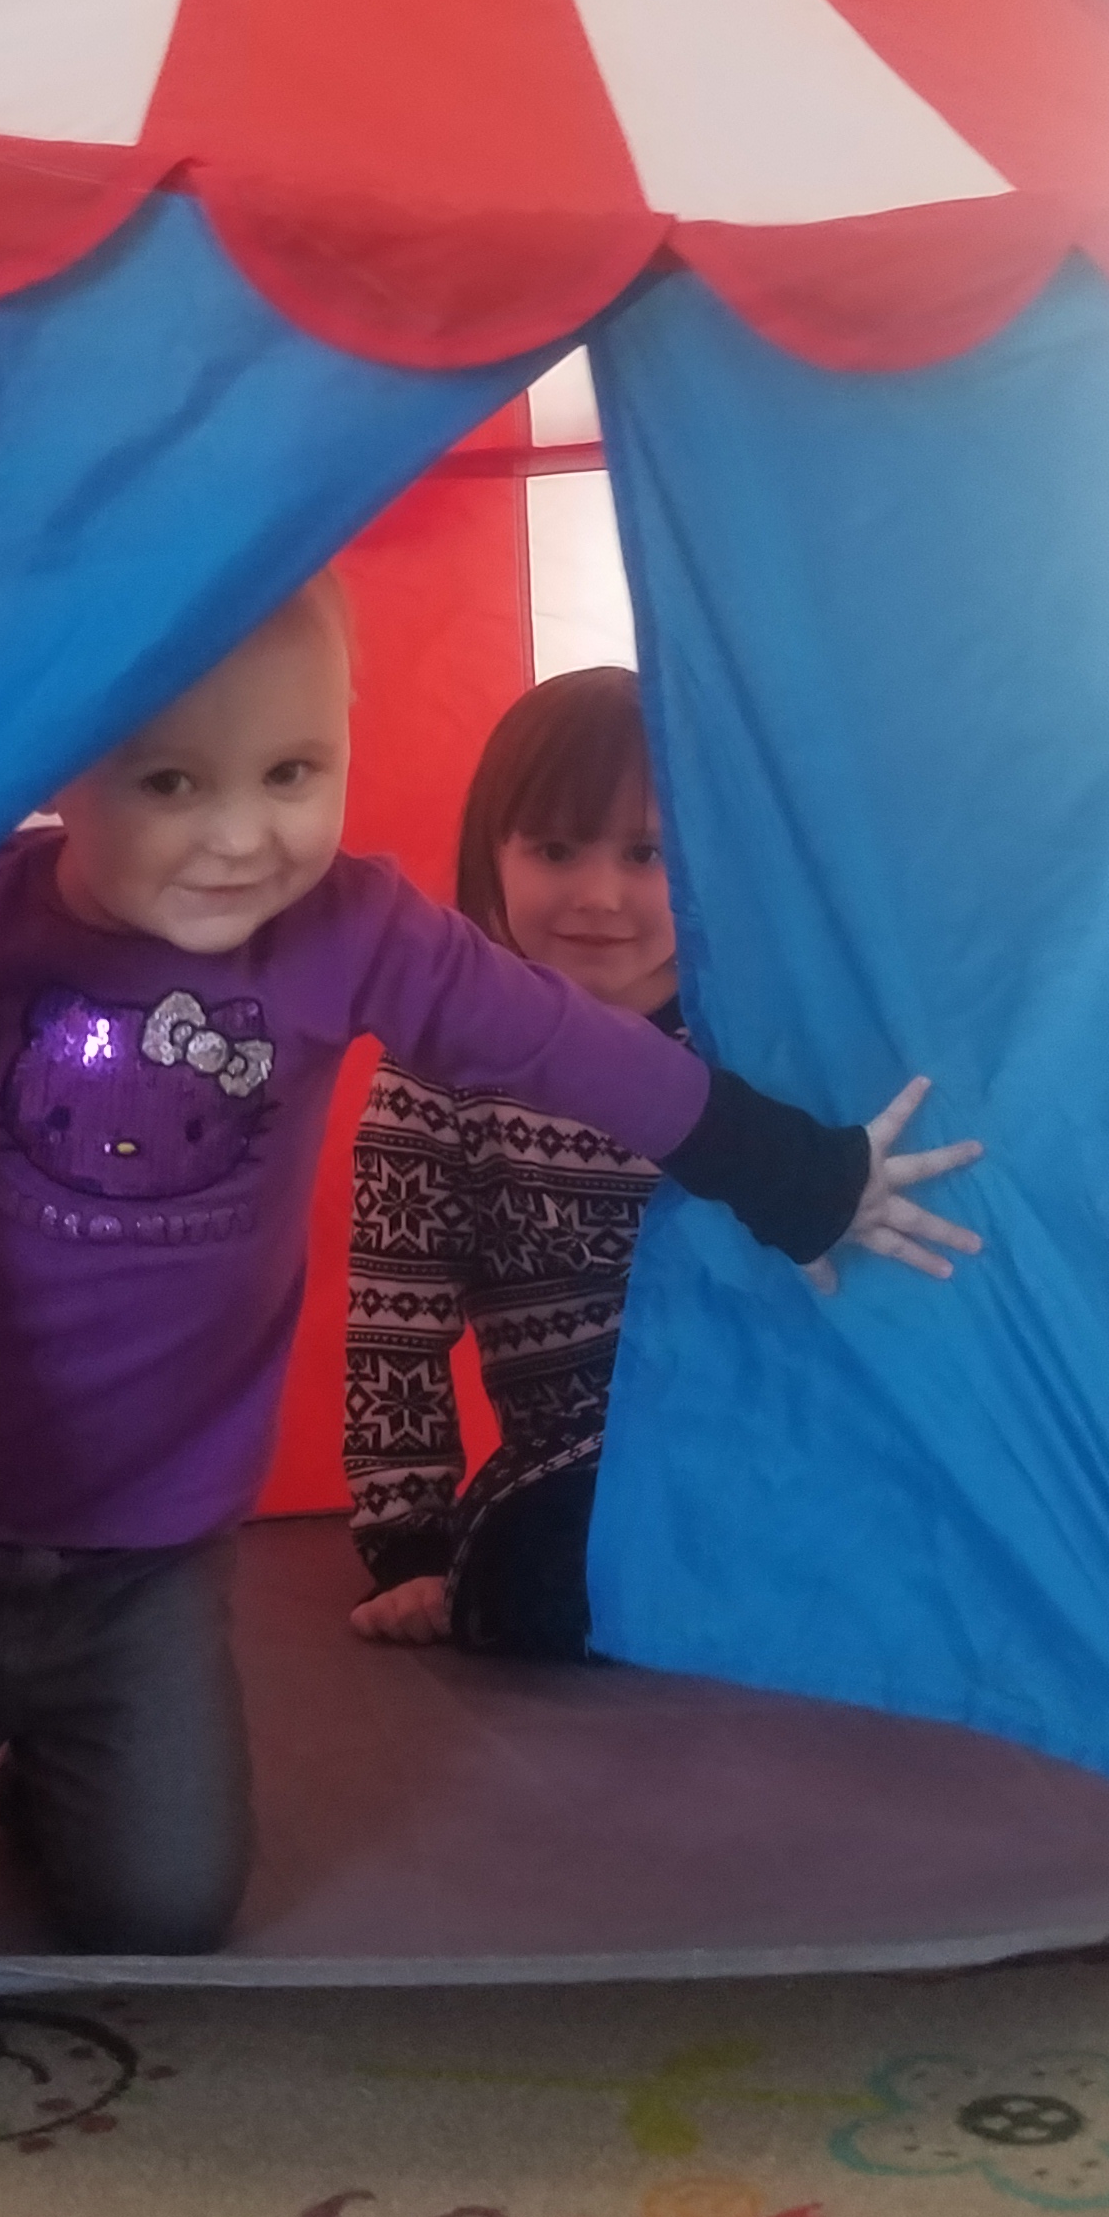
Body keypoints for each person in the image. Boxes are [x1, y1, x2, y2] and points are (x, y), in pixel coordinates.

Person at [0, 582, 981, 1954]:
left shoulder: (348, 929)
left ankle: (48, 1763)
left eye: (293, 773)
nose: (242, 836)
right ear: (55, 765)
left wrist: (798, 1174)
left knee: (163, 1909)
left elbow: (566, 1044)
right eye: (171, 782)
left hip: (146, 1563)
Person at [343, 666, 701, 1661]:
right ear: (490, 855)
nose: (599, 896)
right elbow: (396, 1320)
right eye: (554, 849)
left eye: (646, 854)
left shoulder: (751, 1044)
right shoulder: (443, 1068)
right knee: (536, 1572)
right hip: (578, 1464)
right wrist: (407, 1547)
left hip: (754, 1438)